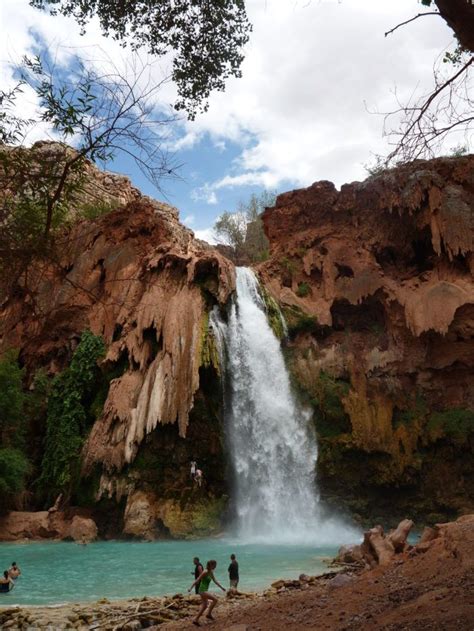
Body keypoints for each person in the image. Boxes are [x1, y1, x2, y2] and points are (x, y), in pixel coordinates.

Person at [188, 559, 226, 626]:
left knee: (205, 606)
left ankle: (195, 620)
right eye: (215, 565)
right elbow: (198, 579)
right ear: (212, 565)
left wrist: (221, 587)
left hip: (204, 590)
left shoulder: (210, 572)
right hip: (202, 590)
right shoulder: (205, 572)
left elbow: (215, 581)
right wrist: (191, 588)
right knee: (215, 600)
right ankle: (208, 614)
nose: (216, 567)